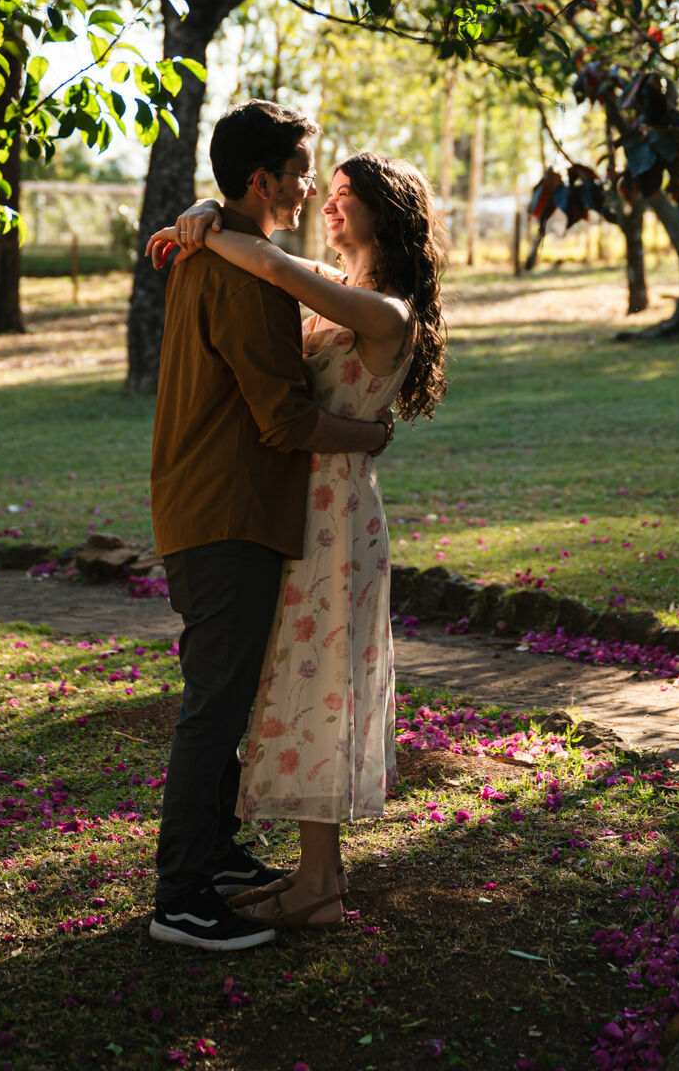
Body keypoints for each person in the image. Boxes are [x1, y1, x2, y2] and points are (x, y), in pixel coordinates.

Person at [150, 150, 446, 931]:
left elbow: (272, 267)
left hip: (335, 518)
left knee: (323, 687)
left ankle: (318, 885)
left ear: (388, 213)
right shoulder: (340, 286)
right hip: (297, 508)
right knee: (303, 680)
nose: (331, 205)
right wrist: (206, 216)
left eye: (348, 196)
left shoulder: (386, 311)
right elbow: (271, 260)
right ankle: (319, 875)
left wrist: (208, 227)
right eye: (331, 192)